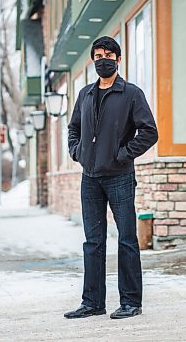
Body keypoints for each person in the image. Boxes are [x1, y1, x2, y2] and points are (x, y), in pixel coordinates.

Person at [64, 36, 158, 320]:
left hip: (119, 177)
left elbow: (149, 131)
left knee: (127, 239)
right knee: (93, 241)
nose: (102, 59)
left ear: (118, 59)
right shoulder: (85, 95)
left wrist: (123, 154)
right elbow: (73, 129)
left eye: (107, 55)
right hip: (90, 178)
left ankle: (131, 302)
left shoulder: (131, 93)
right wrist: (76, 151)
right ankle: (92, 302)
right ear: (93, 60)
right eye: (97, 55)